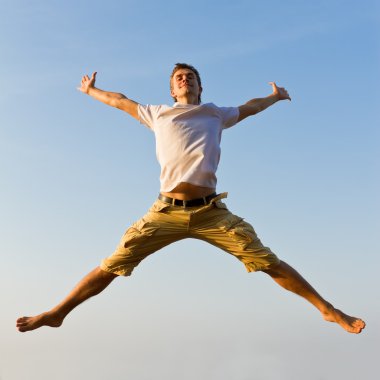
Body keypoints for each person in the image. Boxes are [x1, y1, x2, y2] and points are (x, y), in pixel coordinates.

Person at [16, 63, 365, 334]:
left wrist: (274, 97)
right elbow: (120, 101)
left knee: (267, 260)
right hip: (164, 212)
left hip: (211, 212)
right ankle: (57, 313)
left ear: (200, 86)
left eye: (191, 77)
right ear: (172, 89)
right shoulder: (157, 114)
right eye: (179, 77)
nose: (185, 80)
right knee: (112, 264)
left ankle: (327, 309)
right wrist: (91, 91)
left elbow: (250, 107)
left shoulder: (216, 113)